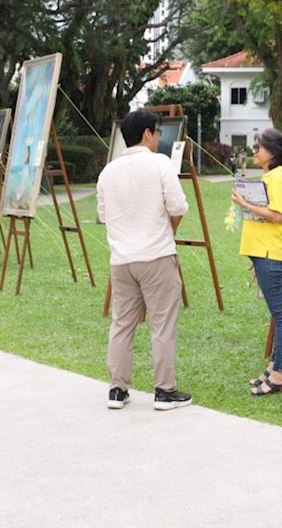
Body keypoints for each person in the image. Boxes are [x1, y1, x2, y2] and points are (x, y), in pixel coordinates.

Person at [97, 111, 192, 411]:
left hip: (121, 260)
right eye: (157, 132)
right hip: (156, 255)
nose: (159, 138)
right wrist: (167, 229)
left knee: (122, 324)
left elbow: (103, 215)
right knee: (162, 324)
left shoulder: (107, 172)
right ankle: (164, 390)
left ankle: (117, 389)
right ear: (147, 134)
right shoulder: (160, 163)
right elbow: (178, 206)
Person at [231, 129, 282, 396]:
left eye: (259, 147)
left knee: (281, 316)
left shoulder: (277, 178)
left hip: (270, 254)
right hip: (263, 253)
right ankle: (274, 366)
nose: (254, 151)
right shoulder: (270, 177)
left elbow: (276, 215)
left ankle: (280, 373)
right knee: (277, 315)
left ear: (273, 152)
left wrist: (244, 203)